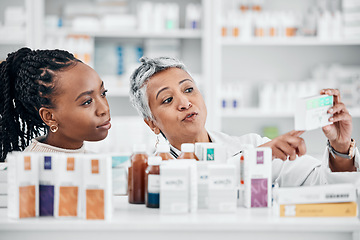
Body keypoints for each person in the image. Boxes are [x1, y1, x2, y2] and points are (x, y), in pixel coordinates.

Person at [129, 56, 360, 187]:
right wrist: (255, 160)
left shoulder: (252, 144)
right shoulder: (151, 169)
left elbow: (325, 187)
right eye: (168, 99)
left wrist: (340, 148)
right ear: (152, 123)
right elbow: (196, 189)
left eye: (189, 89)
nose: (185, 102)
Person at [0, 47, 111, 162]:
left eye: (103, 93)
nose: (104, 109)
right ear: (49, 117)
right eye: (87, 102)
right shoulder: (32, 168)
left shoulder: (92, 160)